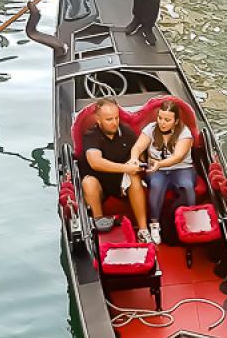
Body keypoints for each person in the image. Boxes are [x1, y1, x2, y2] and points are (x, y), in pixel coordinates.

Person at [79, 99, 150, 241]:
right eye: (109, 119)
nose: (114, 122)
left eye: (116, 118)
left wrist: (137, 161)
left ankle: (143, 230)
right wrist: (126, 167)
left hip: (121, 183)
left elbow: (140, 153)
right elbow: (95, 162)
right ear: (98, 120)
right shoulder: (91, 136)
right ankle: (99, 226)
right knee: (88, 183)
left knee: (134, 177)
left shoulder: (127, 132)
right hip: (99, 184)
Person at [130, 101, 196, 243]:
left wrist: (159, 164)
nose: (162, 123)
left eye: (167, 120)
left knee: (187, 187)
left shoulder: (184, 133)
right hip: (157, 170)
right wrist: (134, 158)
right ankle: (154, 224)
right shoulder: (150, 129)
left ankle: (171, 218)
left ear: (176, 121)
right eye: (160, 118)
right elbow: (137, 147)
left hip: (181, 168)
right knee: (156, 185)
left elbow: (177, 158)